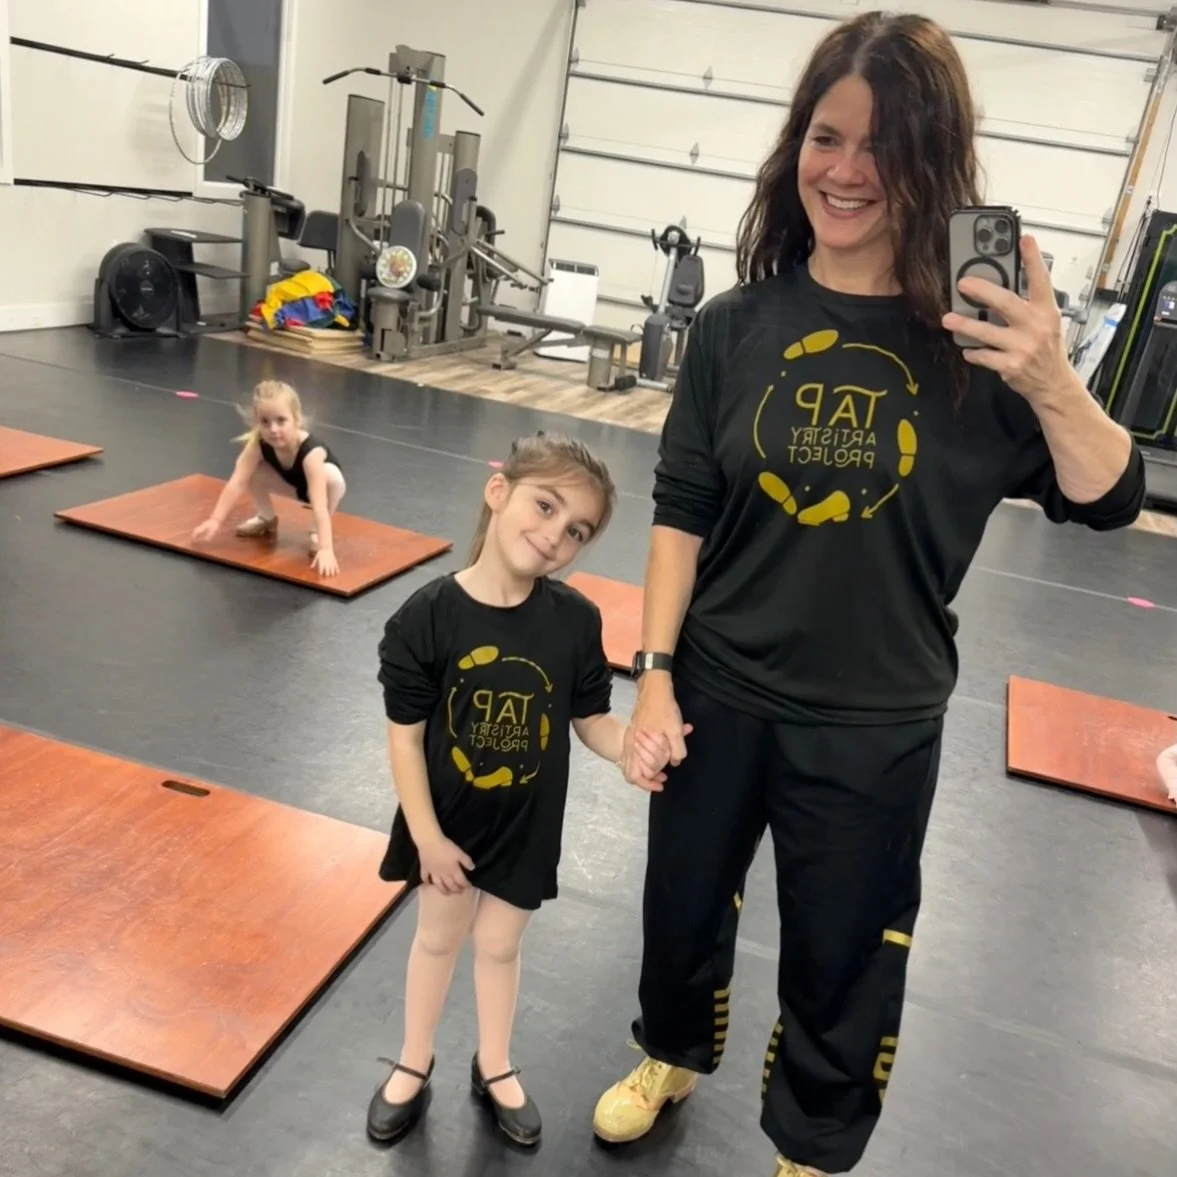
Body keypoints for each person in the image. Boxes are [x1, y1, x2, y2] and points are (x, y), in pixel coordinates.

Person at [591, 11, 1146, 1177]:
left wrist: (1050, 378)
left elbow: (1107, 496)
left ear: (930, 164)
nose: (845, 171)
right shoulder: (736, 327)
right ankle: (672, 1051)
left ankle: (811, 1144)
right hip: (716, 694)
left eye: (880, 147)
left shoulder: (980, 348)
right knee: (682, 908)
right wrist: (650, 677)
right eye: (825, 136)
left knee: (845, 953)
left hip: (874, 720)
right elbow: (681, 516)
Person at [367, 432, 670, 1148]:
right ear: (497, 491)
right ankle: (414, 1059)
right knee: (437, 939)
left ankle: (495, 1063)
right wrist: (427, 836)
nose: (554, 535)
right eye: (545, 505)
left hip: (526, 826)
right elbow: (404, 740)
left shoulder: (573, 621)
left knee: (499, 945)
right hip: (445, 824)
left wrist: (630, 747)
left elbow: (589, 718)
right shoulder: (426, 616)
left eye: (576, 531)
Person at [191, 379, 346, 577]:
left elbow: (319, 504)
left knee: (332, 477)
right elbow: (237, 481)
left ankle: (315, 531)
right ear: (257, 422)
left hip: (321, 490)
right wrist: (215, 519)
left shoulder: (310, 452)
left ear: (296, 419)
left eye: (281, 421)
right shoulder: (258, 443)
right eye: (265, 422)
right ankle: (266, 517)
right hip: (291, 484)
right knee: (251, 470)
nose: (273, 429)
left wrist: (326, 548)